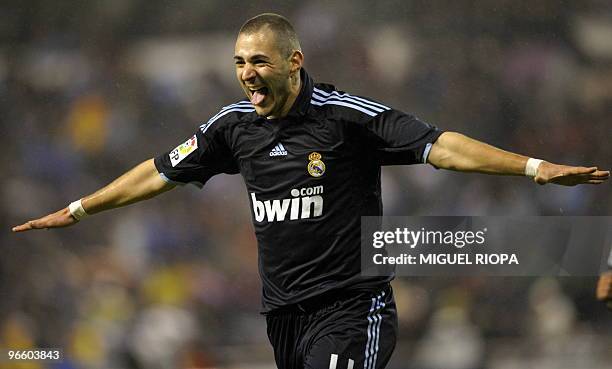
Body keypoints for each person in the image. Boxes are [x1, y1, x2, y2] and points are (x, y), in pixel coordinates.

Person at [12, 13, 610, 369]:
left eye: (260, 61)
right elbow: (158, 171)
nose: (248, 72)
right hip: (284, 318)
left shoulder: (345, 117)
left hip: (353, 307)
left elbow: (441, 147)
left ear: (294, 61)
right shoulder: (231, 127)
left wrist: (532, 167)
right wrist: (79, 208)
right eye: (240, 61)